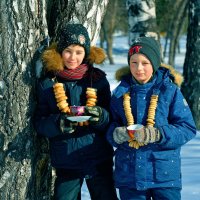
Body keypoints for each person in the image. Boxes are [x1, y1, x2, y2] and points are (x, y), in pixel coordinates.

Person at [34, 23, 118, 200]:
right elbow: (39, 122)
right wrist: (59, 123)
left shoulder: (98, 80)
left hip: (98, 157)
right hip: (66, 161)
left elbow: (111, 118)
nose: (73, 57)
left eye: (79, 52)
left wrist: (100, 116)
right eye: (68, 51)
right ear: (60, 52)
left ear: (86, 53)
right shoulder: (48, 84)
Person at [106, 36, 196, 200]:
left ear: (154, 64)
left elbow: (187, 128)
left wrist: (157, 134)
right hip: (129, 176)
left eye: (145, 63)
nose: (139, 68)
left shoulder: (169, 91)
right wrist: (116, 134)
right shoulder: (119, 94)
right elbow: (110, 126)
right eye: (134, 62)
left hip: (164, 176)